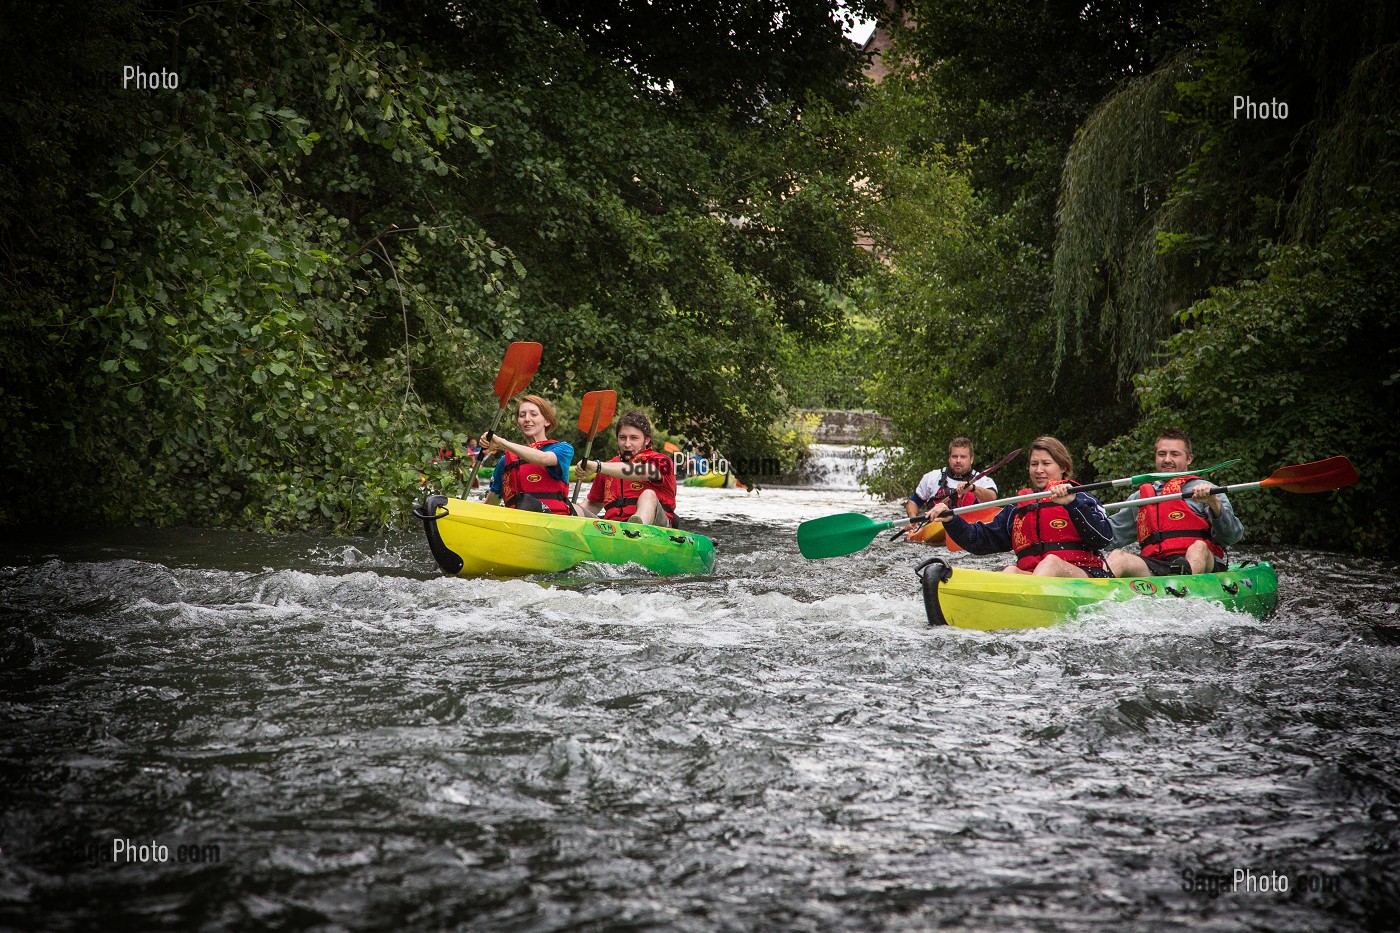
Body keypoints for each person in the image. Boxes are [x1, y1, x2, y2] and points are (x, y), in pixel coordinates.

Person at [929, 436, 1112, 577]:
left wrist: (1073, 504)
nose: (1038, 470)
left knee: (1051, 563)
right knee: (1010, 570)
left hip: (1082, 576)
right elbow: (979, 540)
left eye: (1046, 464)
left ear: (1063, 467)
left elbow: (1103, 538)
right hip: (1035, 579)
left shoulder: (1082, 498)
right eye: (1034, 464)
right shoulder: (1019, 508)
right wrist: (952, 520)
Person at [1106, 429, 1244, 576]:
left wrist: (1214, 503)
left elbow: (1232, 536)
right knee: (1117, 557)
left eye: (1175, 454)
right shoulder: (1140, 498)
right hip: (1157, 565)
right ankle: (1092, 594)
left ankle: (1185, 585)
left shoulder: (1208, 491)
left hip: (1203, 566)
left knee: (1199, 548)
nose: (1167, 460)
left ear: (1189, 459)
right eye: (1161, 454)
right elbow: (1109, 536)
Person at [576, 411, 678, 527]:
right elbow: (593, 504)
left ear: (646, 440)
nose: (627, 444)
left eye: (634, 438)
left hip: (657, 527)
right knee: (573, 508)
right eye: (622, 438)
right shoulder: (608, 467)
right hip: (613, 528)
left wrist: (598, 466)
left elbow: (640, 472)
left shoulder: (662, 461)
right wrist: (572, 512)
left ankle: (635, 530)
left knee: (648, 494)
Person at [483, 395, 575, 514]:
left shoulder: (562, 449)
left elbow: (543, 458)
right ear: (518, 422)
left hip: (554, 520)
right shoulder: (506, 460)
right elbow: (490, 505)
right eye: (522, 415)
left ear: (547, 421)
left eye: (533, 414)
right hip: (516, 522)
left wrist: (501, 442)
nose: (527, 419)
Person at [906, 437, 999, 519]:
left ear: (971, 459)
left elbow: (992, 498)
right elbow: (914, 502)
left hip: (970, 528)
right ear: (949, 458)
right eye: (954, 456)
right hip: (937, 527)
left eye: (963, 457)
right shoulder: (931, 477)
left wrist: (973, 488)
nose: (958, 460)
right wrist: (912, 518)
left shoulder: (982, 480)